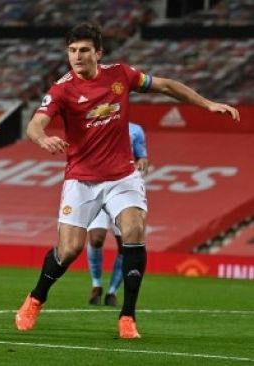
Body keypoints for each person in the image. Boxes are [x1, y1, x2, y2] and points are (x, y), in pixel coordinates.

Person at [15, 22, 239, 339]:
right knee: (69, 250)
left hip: (122, 175)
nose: (77, 57)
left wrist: (207, 104)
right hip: (81, 179)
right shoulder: (62, 89)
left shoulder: (121, 75)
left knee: (134, 229)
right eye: (72, 51)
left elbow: (166, 86)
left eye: (83, 50)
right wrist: (42, 140)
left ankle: (127, 317)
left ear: (98, 53)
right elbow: (36, 125)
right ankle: (36, 298)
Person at [87, 122, 148, 307]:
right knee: (96, 239)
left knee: (126, 245)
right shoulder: (95, 122)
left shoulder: (135, 129)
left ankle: (112, 291)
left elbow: (143, 158)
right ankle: (96, 285)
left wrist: (142, 163)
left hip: (123, 191)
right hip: (97, 187)